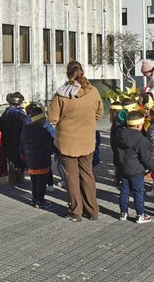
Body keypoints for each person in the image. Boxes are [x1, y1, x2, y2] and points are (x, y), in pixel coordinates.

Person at [47, 61, 103, 222]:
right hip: (87, 140)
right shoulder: (93, 91)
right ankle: (92, 210)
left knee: (71, 177)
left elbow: (52, 118)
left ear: (67, 73)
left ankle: (76, 211)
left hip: (67, 142)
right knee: (87, 174)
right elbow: (99, 113)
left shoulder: (61, 94)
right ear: (82, 71)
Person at [112, 110, 154, 223]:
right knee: (138, 192)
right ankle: (140, 215)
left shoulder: (118, 136)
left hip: (122, 169)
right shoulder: (141, 139)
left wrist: (117, 166)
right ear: (139, 125)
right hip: (136, 170)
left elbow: (115, 153)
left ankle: (123, 213)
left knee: (124, 191)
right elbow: (146, 157)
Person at [20, 104, 54, 209]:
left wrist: (23, 155)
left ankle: (35, 199)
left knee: (34, 181)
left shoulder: (25, 130)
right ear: (42, 119)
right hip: (42, 161)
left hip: (30, 161)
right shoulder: (43, 131)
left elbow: (21, 144)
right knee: (41, 182)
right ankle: (40, 201)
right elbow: (50, 146)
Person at [0, 92, 28, 184]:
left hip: (9, 139)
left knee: (12, 158)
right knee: (20, 157)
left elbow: (1, 124)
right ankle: (19, 177)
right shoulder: (21, 113)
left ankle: (12, 178)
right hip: (19, 138)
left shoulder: (7, 112)